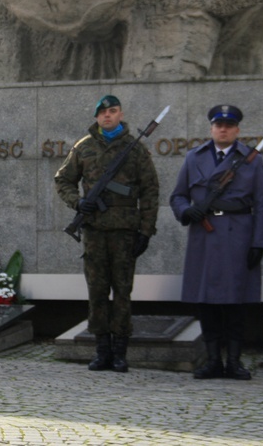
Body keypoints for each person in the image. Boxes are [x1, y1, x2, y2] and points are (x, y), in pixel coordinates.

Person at [54, 95, 159, 373]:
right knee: (97, 292)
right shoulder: (84, 147)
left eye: (113, 111)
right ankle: (101, 350)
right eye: (103, 113)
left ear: (120, 114)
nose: (108, 116)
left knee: (122, 291)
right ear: (97, 117)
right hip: (95, 231)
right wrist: (78, 202)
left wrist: (146, 231)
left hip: (125, 232)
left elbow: (150, 190)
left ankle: (121, 351)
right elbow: (62, 179)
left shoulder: (136, 150)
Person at [170, 105, 263, 380]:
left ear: (237, 130)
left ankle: (234, 362)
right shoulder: (194, 157)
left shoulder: (250, 159)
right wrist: (186, 211)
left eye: (228, 125)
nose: (223, 129)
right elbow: (177, 196)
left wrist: (259, 242)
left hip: (239, 234)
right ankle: (213, 360)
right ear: (211, 129)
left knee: (235, 300)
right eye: (218, 125)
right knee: (206, 300)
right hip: (204, 233)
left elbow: (262, 203)